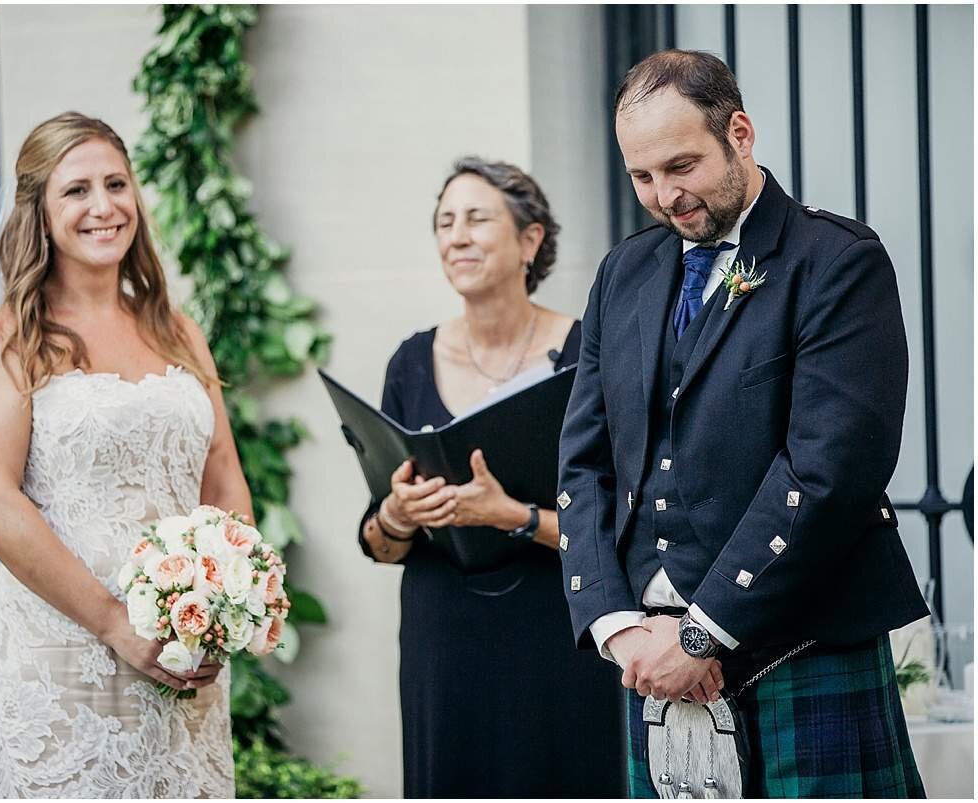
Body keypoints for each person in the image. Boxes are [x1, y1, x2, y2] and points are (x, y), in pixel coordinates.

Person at [557, 50, 928, 797]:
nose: (665, 196)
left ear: (740, 133)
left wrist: (703, 631)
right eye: (641, 176)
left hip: (803, 644)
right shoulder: (623, 274)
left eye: (681, 166)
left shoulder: (836, 262)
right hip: (652, 659)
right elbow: (584, 461)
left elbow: (829, 470)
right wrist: (616, 625)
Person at [0, 112, 250, 797]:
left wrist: (222, 608)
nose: (104, 206)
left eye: (116, 184)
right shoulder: (5, 339)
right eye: (77, 190)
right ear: (39, 212)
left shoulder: (178, 331)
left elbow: (223, 475)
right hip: (64, 656)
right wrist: (116, 624)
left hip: (183, 655)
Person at [359, 157, 625, 798]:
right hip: (442, 641)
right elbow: (379, 543)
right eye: (445, 222)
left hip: (558, 633)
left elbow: (621, 529)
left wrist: (513, 516)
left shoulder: (588, 353)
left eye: (476, 219)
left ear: (530, 240)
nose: (457, 237)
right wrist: (398, 513)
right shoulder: (410, 361)